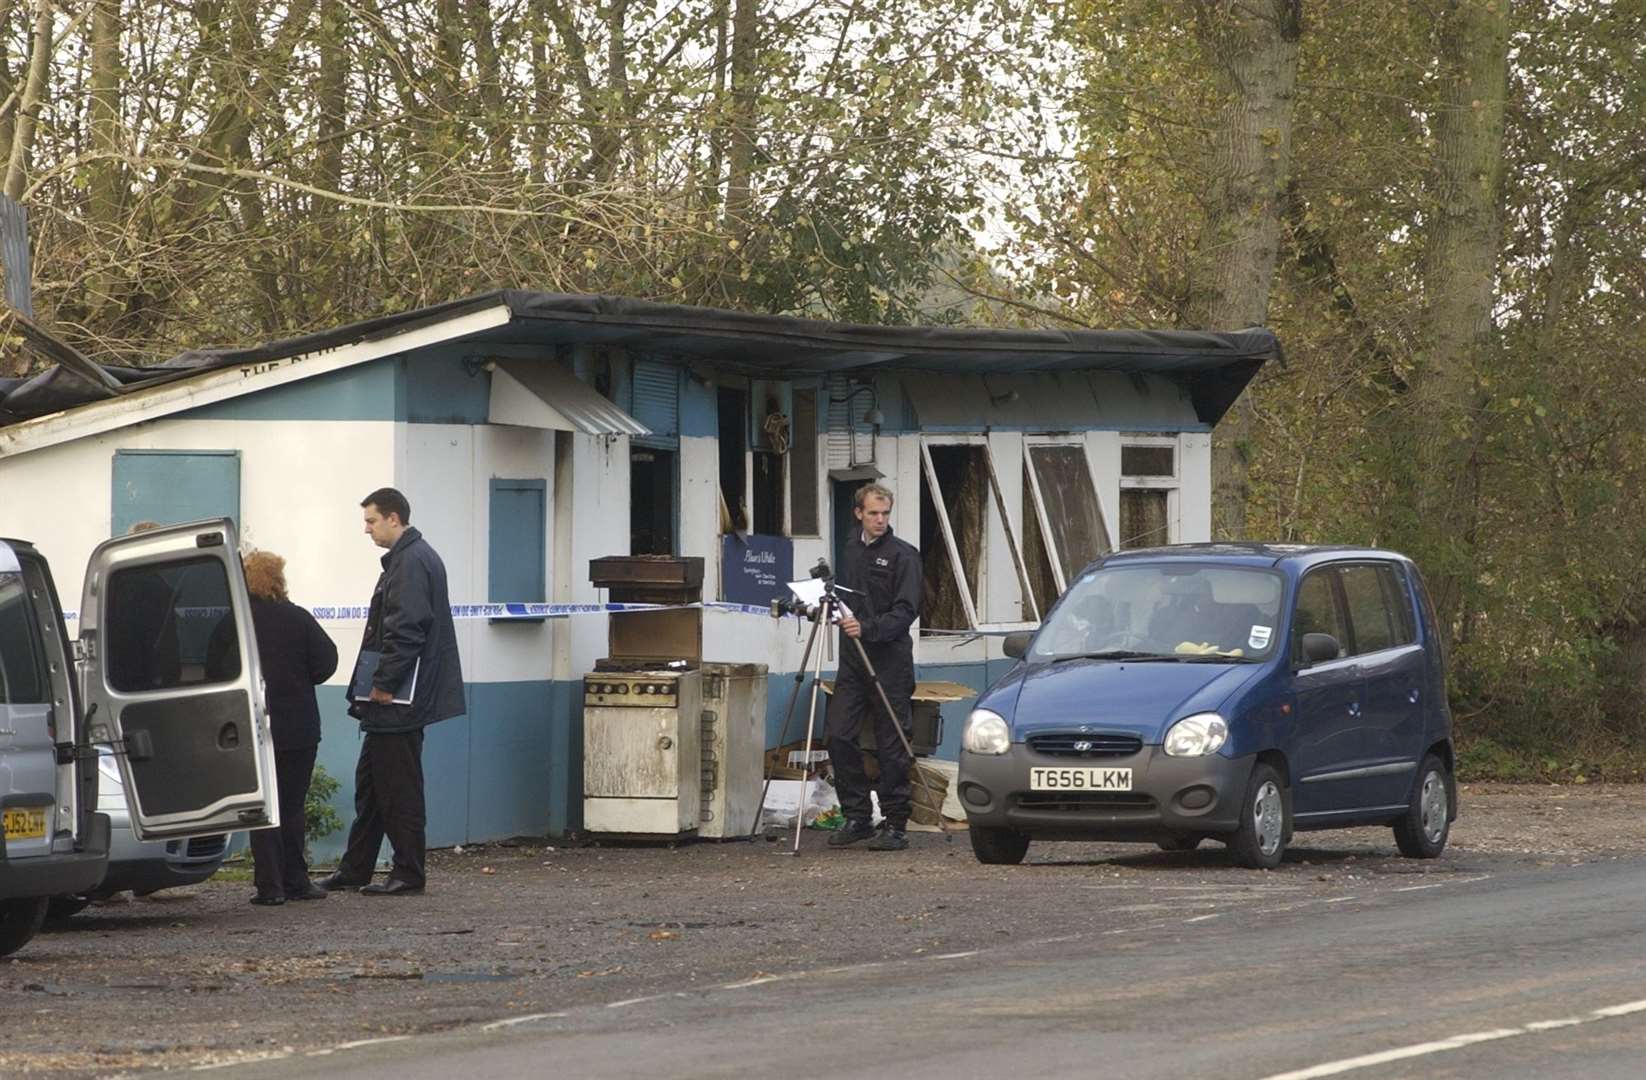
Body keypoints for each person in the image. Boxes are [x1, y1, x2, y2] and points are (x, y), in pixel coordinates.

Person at [315, 488, 464, 897]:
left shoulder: (411, 562)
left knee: (398, 789)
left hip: (398, 701)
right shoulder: (410, 558)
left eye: (371, 521)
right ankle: (356, 868)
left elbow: (406, 629)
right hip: (394, 702)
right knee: (373, 786)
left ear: (393, 518)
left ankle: (408, 872)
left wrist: (383, 684)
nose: (366, 529)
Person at [208, 551, 339, 906]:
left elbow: (214, 669)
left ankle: (270, 888)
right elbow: (328, 661)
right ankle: (298, 880)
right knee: (292, 805)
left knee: (261, 807)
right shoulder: (299, 619)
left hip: (250, 726)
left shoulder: (233, 623)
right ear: (280, 580)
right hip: (298, 727)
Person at [826, 482, 922, 852]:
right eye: (873, 514)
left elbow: (906, 611)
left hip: (890, 660)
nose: (880, 520)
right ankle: (857, 816)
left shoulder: (904, 556)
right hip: (852, 659)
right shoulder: (850, 550)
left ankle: (896, 822)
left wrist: (868, 627)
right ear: (859, 514)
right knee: (838, 734)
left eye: (885, 514)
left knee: (892, 741)